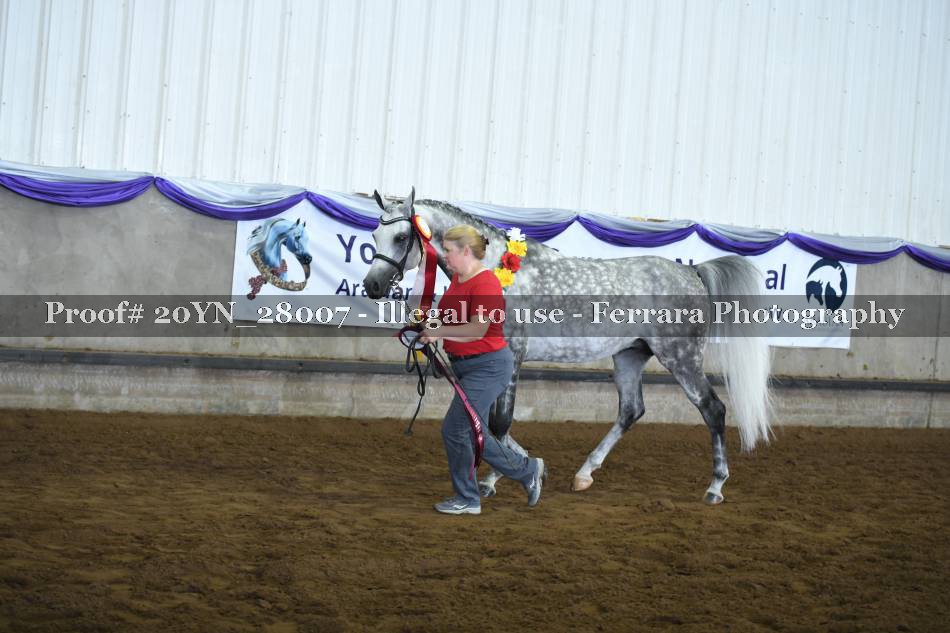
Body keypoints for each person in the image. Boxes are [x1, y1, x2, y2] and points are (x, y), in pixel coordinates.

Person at [419, 224, 546, 515]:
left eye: (448, 251)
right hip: (468, 366)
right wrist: (427, 326)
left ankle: (468, 498)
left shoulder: (486, 283)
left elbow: (477, 329)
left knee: (456, 430)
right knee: (472, 431)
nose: (444, 256)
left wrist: (439, 332)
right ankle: (527, 470)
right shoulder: (458, 279)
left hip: (488, 367)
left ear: (466, 251)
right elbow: (447, 317)